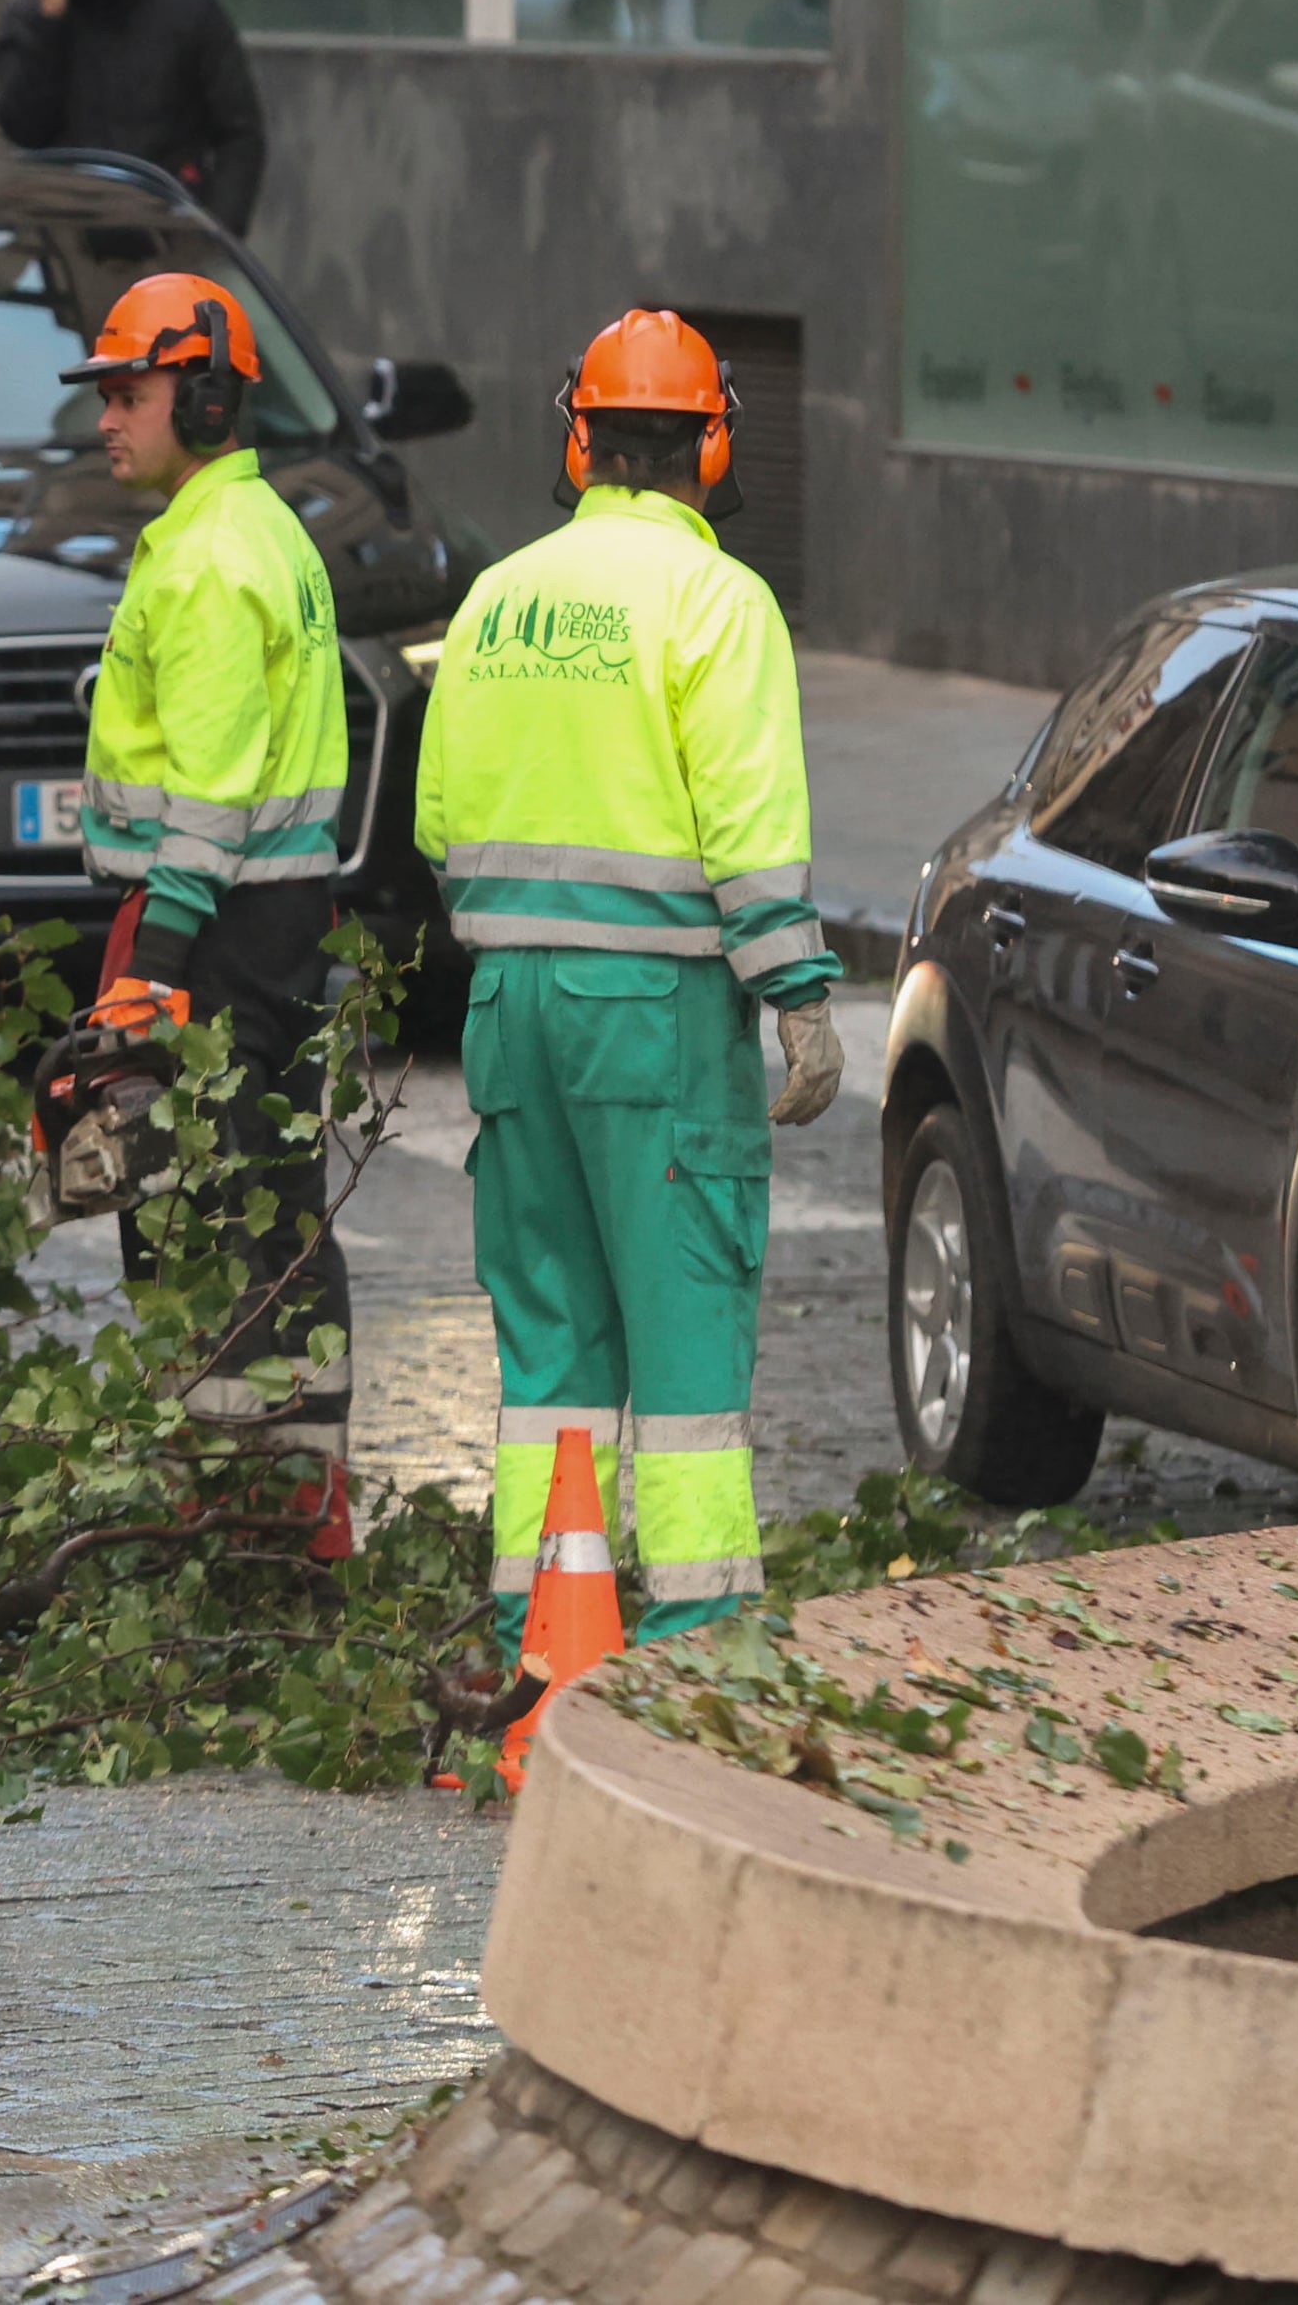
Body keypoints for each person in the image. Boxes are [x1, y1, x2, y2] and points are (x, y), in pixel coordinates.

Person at [416, 310, 845, 1686]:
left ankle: (541, 1635)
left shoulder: (496, 596)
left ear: (579, 437)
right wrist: (797, 994)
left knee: (552, 1342)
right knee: (683, 1340)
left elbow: (434, 817)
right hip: (652, 1013)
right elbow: (750, 818)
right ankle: (690, 1645)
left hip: (507, 1011)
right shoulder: (718, 602)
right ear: (716, 443)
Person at [60, 271, 358, 1550]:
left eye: (126, 394)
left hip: (211, 930)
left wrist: (157, 961)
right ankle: (288, 1506)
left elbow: (211, 790)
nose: (105, 420)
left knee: (194, 1216)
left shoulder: (210, 558)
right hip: (267, 924)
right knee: (268, 1206)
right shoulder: (255, 532)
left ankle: (233, 1518)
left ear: (200, 394)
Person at [0, 0, 269, 230]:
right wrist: (49, 21)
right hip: (67, 244)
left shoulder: (191, 12)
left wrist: (215, 238)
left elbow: (241, 136)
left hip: (168, 240)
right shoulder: (34, 19)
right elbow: (22, 129)